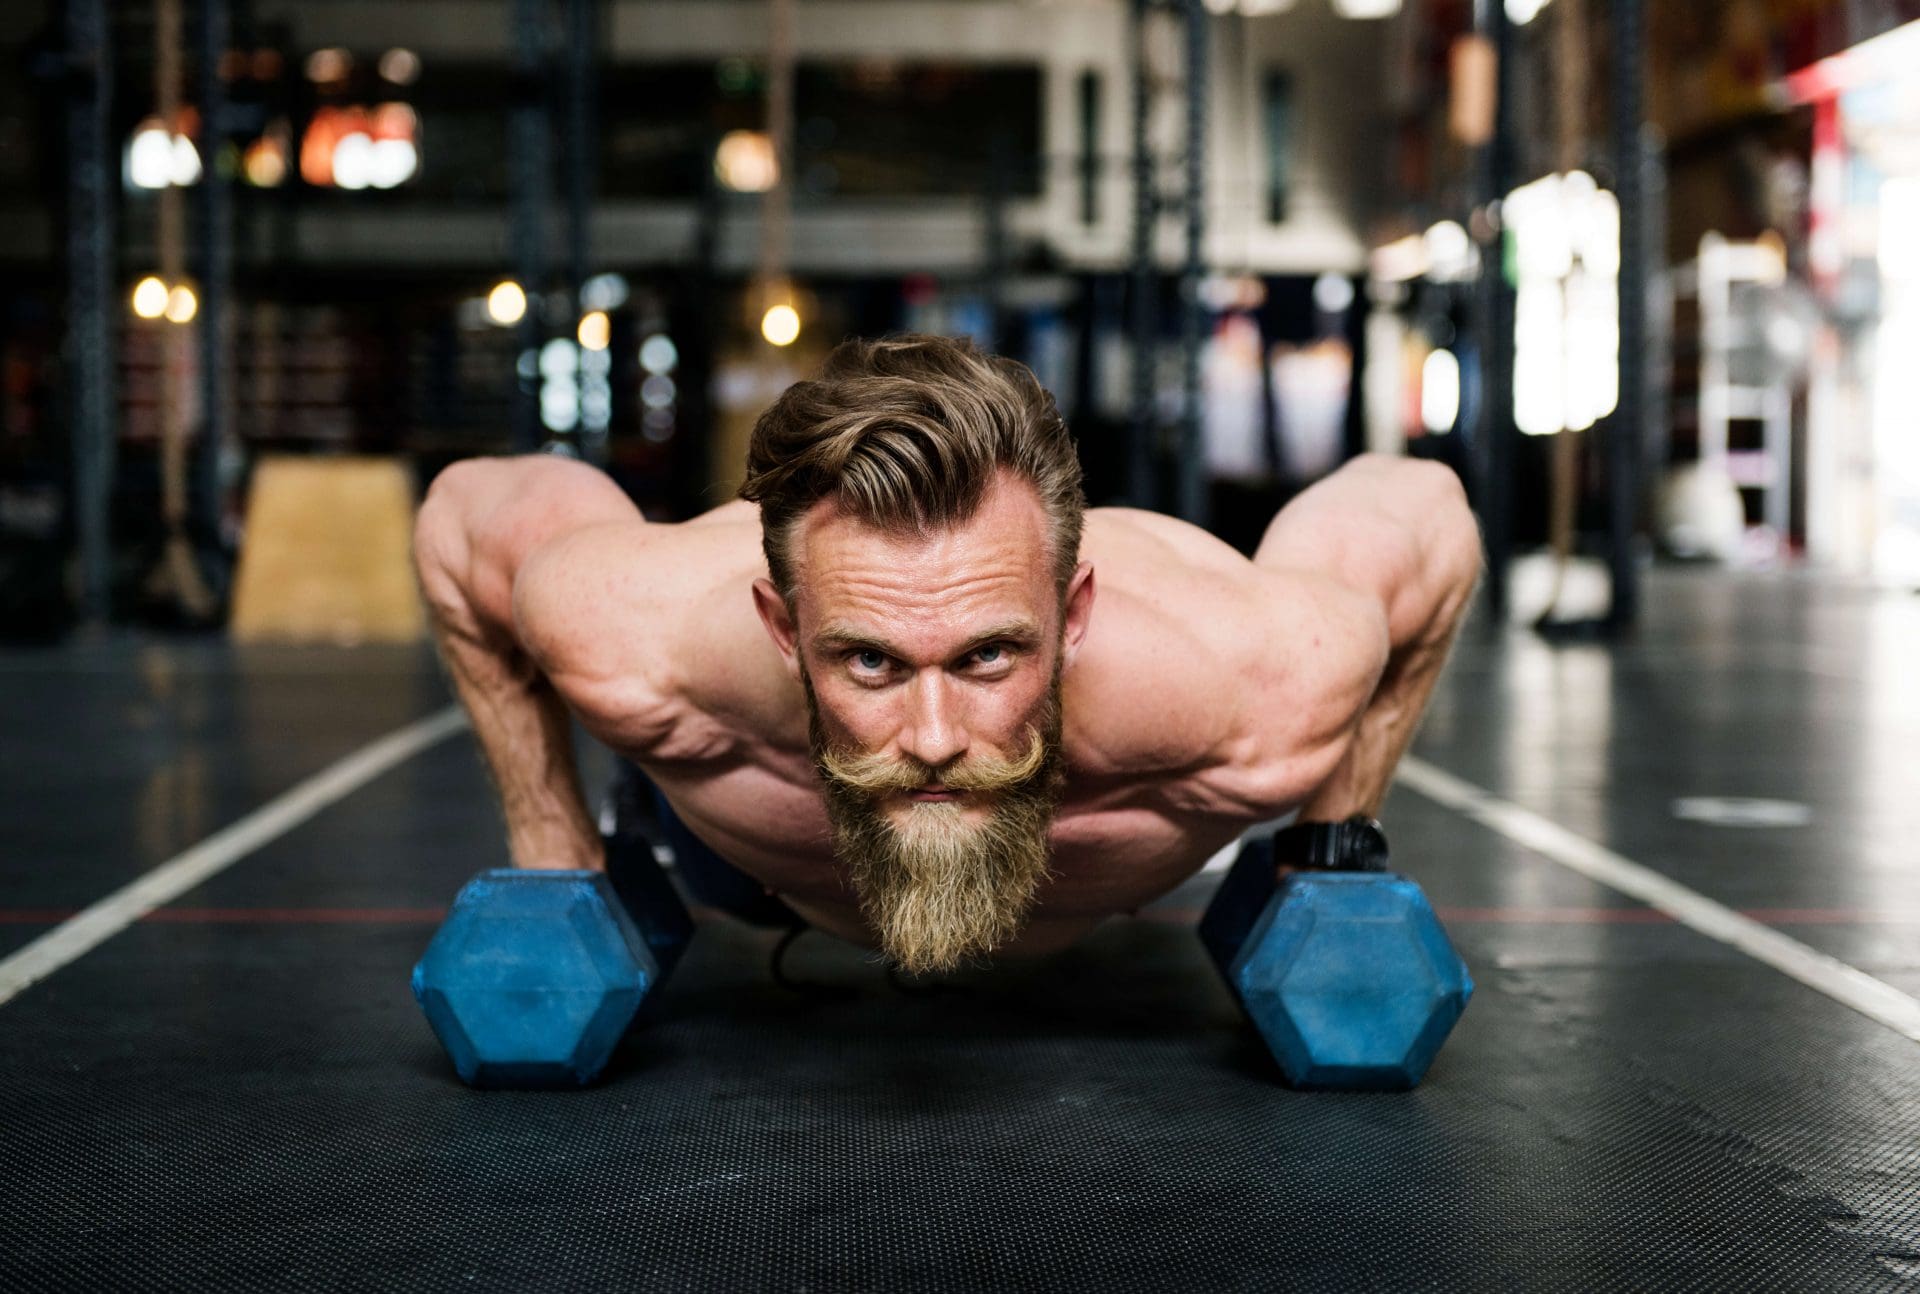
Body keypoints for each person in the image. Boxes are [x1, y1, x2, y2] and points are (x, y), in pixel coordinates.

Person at [413, 334, 1480, 975]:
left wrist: (1330, 842)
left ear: (1074, 617)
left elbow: (1423, 509)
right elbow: (464, 515)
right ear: (784, 632)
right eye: (870, 663)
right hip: (743, 868)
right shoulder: (638, 632)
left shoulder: (1260, 679)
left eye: (987, 659)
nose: (933, 740)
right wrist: (552, 852)